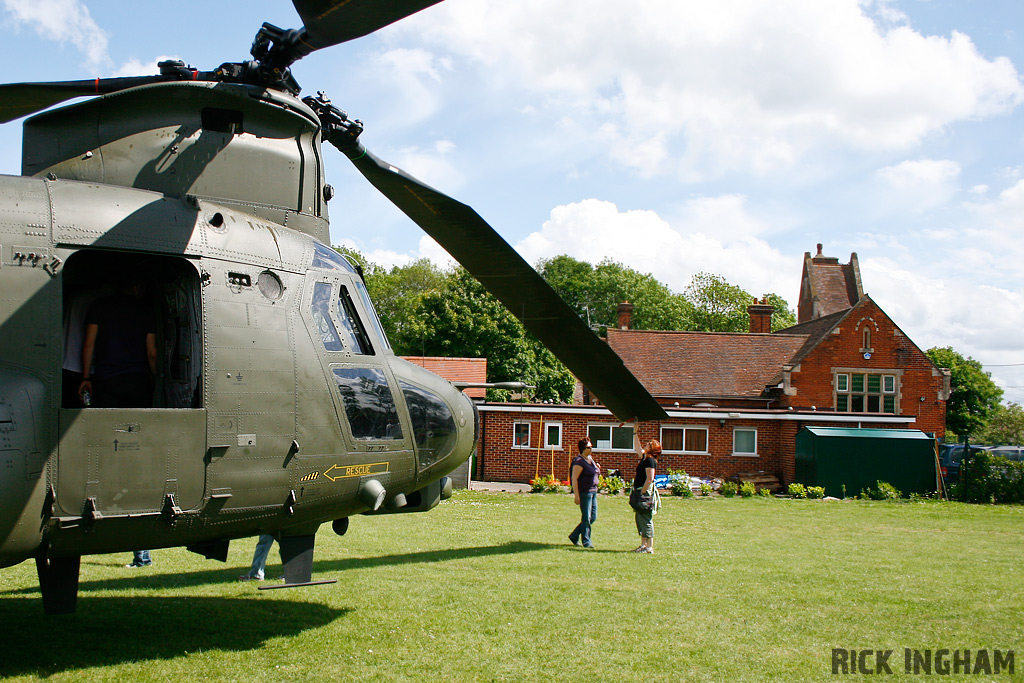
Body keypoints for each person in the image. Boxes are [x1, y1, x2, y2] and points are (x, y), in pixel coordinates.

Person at [568, 438, 600, 548]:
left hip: (593, 491)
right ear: (582, 448)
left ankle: (574, 535)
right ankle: (586, 541)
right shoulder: (579, 462)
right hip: (585, 492)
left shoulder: (590, 459)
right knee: (586, 517)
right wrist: (576, 495)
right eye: (588, 447)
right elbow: (574, 479)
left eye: (591, 447)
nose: (590, 449)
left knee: (593, 517)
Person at [632, 434, 661, 554]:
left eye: (650, 444)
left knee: (646, 519)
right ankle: (643, 545)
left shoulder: (650, 461)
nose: (647, 444)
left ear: (653, 449)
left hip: (645, 492)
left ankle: (649, 547)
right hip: (639, 490)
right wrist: (635, 432)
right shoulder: (645, 458)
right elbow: (638, 448)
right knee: (640, 518)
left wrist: (643, 492)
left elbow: (650, 479)